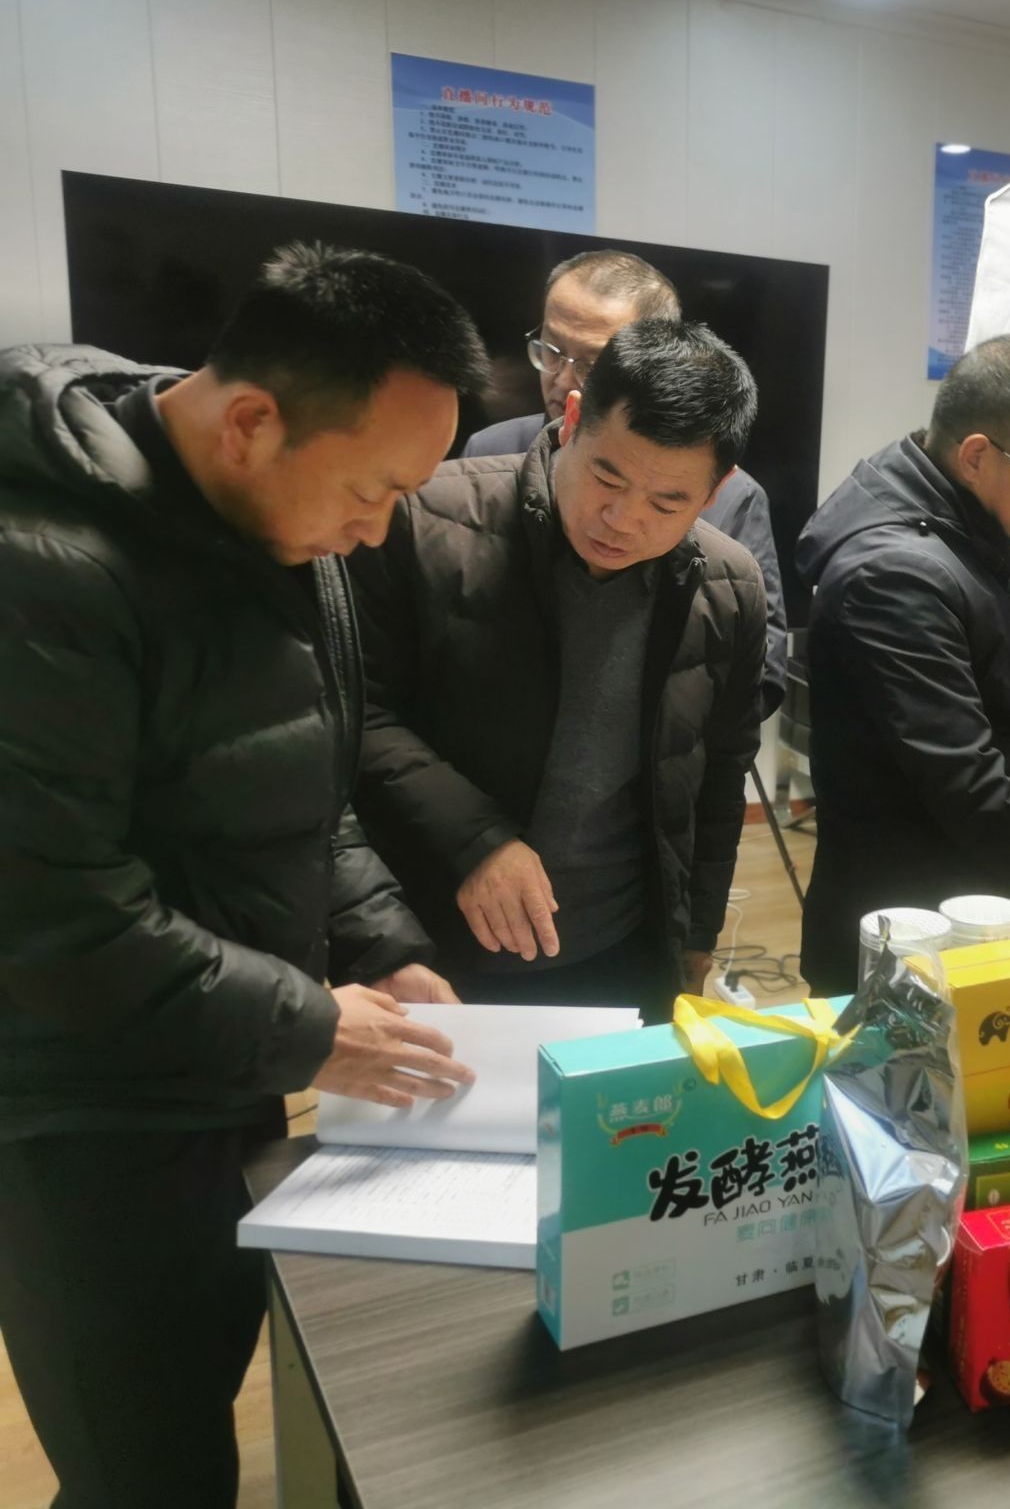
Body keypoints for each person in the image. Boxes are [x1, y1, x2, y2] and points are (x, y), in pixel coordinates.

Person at [0, 242, 486, 1508]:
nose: (378, 530)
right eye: (373, 492)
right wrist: (313, 1026)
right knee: (143, 1463)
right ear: (252, 422)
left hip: (223, 1062)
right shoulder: (39, 564)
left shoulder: (281, 522)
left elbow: (302, 787)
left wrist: (381, 946)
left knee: (196, 1402)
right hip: (78, 1114)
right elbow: (51, 914)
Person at [351, 320, 769, 1022]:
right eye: (607, 475)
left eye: (668, 502)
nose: (622, 519)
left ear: (715, 489)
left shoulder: (729, 586)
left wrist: (696, 937)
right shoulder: (420, 520)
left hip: (619, 947)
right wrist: (477, 842)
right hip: (432, 943)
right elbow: (357, 713)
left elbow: (721, 775)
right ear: (573, 419)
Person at [797, 334, 1010, 993]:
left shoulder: (958, 533)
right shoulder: (895, 574)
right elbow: (969, 785)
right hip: (908, 930)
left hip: (961, 904)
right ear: (977, 455)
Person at [465, 249, 788, 710]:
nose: (562, 379)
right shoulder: (488, 453)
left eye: (593, 363)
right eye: (552, 351)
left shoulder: (734, 496)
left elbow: (758, 672)